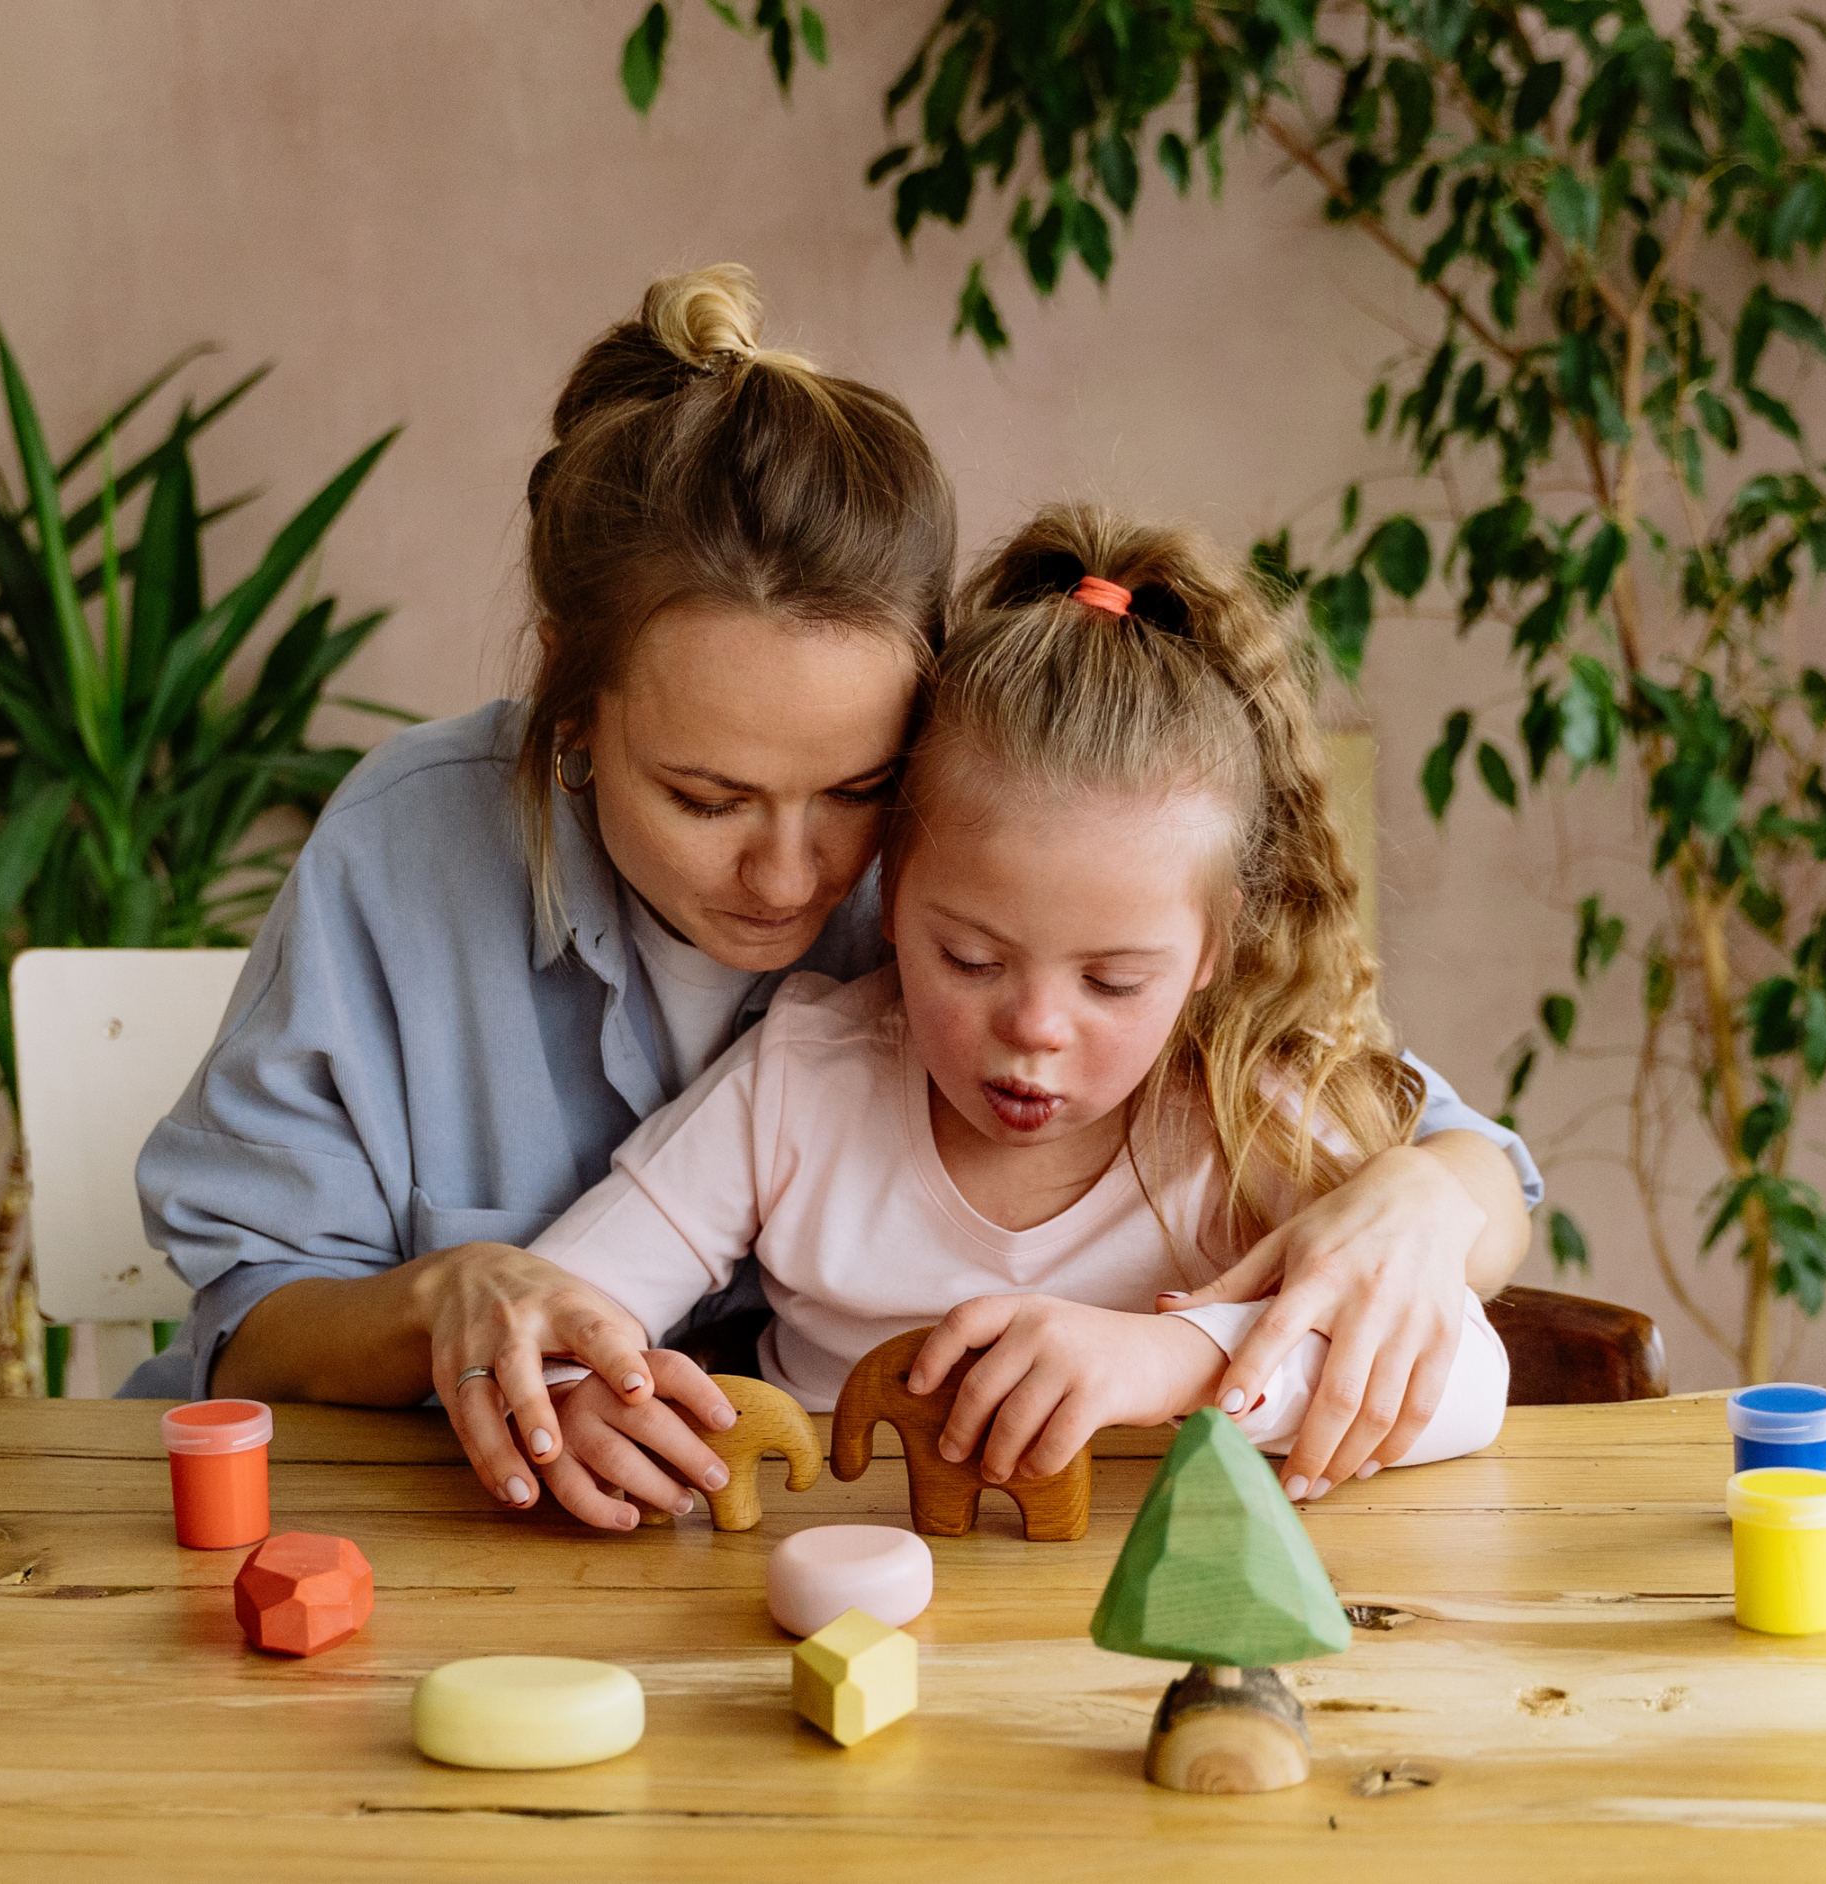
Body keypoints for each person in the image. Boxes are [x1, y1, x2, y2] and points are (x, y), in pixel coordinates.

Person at [124, 265, 1540, 1508]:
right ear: (571, 700)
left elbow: (1434, 1151)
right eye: (705, 798)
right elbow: (249, 1325)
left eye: (856, 792)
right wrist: (460, 1308)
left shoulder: (989, 832)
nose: (794, 874)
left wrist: (1418, 1204)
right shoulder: (410, 859)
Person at [471, 507, 1510, 1528]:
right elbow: (554, 1311)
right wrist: (582, 1394)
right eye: (969, 958)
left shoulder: (1246, 1108)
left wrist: (1170, 1362)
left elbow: (1469, 1378)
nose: (1036, 1028)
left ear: (1212, 948)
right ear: (891, 888)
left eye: (1112, 982)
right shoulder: (802, 1080)